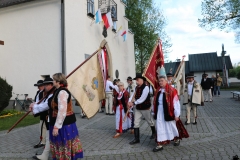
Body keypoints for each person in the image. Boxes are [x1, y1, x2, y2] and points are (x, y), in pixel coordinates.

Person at [50, 73, 83, 159]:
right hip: (62, 123)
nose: (53, 81)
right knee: (61, 145)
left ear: (58, 81)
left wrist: (56, 126)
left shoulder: (62, 92)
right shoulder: (58, 91)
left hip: (65, 124)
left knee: (64, 144)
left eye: (54, 80)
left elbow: (62, 110)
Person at [152, 75, 183, 152]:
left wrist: (177, 114)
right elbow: (154, 102)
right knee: (159, 126)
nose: (160, 82)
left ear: (166, 81)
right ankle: (160, 143)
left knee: (171, 125)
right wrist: (153, 111)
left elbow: (176, 103)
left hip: (169, 111)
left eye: (162, 80)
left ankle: (176, 139)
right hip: (159, 111)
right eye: (159, 81)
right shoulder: (158, 90)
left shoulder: (172, 90)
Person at [30, 77, 56, 160]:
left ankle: (64, 154)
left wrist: (34, 107)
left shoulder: (55, 93)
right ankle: (45, 154)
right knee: (49, 136)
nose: (44, 87)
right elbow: (43, 104)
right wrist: (35, 106)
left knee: (57, 137)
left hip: (58, 119)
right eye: (44, 85)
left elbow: (46, 105)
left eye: (47, 85)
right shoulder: (48, 93)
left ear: (52, 85)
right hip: (50, 118)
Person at [128, 74, 155, 145]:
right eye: (136, 80)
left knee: (150, 122)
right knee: (136, 123)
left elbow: (142, 99)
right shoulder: (136, 88)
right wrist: (129, 101)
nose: (136, 81)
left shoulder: (146, 88)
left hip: (145, 107)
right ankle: (137, 139)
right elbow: (132, 95)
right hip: (138, 108)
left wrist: (133, 103)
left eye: (138, 80)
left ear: (142, 80)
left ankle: (154, 133)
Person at [33, 80, 46, 148]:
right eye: (38, 86)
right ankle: (42, 141)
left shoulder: (45, 92)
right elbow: (36, 101)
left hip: (45, 113)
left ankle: (43, 142)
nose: (39, 87)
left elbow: (44, 104)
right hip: (40, 112)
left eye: (40, 86)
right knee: (41, 127)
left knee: (43, 127)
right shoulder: (38, 92)